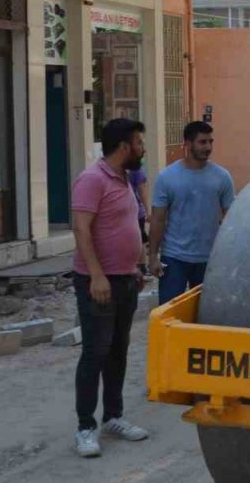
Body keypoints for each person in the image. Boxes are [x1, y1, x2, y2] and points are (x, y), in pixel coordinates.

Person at [71, 118, 149, 458]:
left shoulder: (125, 178)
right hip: (98, 282)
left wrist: (138, 266)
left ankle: (113, 416)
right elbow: (81, 230)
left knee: (118, 351)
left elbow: (129, 224)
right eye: (139, 142)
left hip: (125, 279)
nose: (142, 148)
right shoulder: (92, 179)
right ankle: (86, 427)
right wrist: (96, 275)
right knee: (95, 352)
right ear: (124, 146)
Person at [149, 121, 236, 305]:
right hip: (174, 258)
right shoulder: (167, 177)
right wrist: (153, 256)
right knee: (169, 313)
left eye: (211, 142)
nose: (208, 147)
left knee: (207, 315)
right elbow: (158, 219)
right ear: (187, 144)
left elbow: (231, 218)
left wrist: (230, 255)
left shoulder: (222, 177)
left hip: (210, 259)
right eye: (202, 142)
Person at [129, 164, 150, 275]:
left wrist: (147, 210)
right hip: (130, 212)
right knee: (139, 238)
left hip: (136, 212)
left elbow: (142, 190)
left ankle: (142, 266)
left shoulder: (136, 169)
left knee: (140, 238)